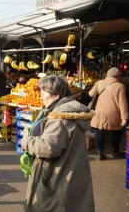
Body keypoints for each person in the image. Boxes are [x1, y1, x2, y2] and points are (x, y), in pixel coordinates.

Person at [21, 75, 95, 212]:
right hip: (68, 171)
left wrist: (26, 140)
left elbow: (48, 147)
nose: (41, 97)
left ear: (55, 94)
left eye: (43, 94)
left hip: (59, 174)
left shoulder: (60, 118)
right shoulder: (64, 111)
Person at [89, 67, 129, 160]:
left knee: (99, 130)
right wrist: (124, 118)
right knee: (118, 130)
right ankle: (115, 151)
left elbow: (91, 94)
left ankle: (100, 153)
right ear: (117, 76)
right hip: (114, 113)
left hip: (99, 111)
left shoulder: (99, 83)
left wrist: (96, 85)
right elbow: (122, 103)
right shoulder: (120, 86)